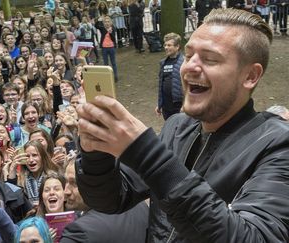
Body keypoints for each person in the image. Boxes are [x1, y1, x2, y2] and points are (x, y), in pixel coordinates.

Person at [75, 8, 289, 242]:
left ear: (250, 76)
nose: (188, 67)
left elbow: (255, 238)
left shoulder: (278, 145)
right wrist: (95, 152)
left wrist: (146, 154)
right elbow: (110, 199)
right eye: (188, 56)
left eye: (210, 59)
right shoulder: (176, 127)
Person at [60, 160, 149, 242]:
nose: (66, 191)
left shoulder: (78, 233)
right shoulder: (140, 205)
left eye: (74, 183)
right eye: (66, 182)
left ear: (96, 184)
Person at [154, 33, 184, 120]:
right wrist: (160, 104)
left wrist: (185, 105)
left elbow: (188, 85)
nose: (166, 47)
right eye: (165, 45)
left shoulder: (184, 63)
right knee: (169, 128)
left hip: (179, 106)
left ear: (177, 46)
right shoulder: (163, 63)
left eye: (169, 45)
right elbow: (161, 85)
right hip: (166, 106)